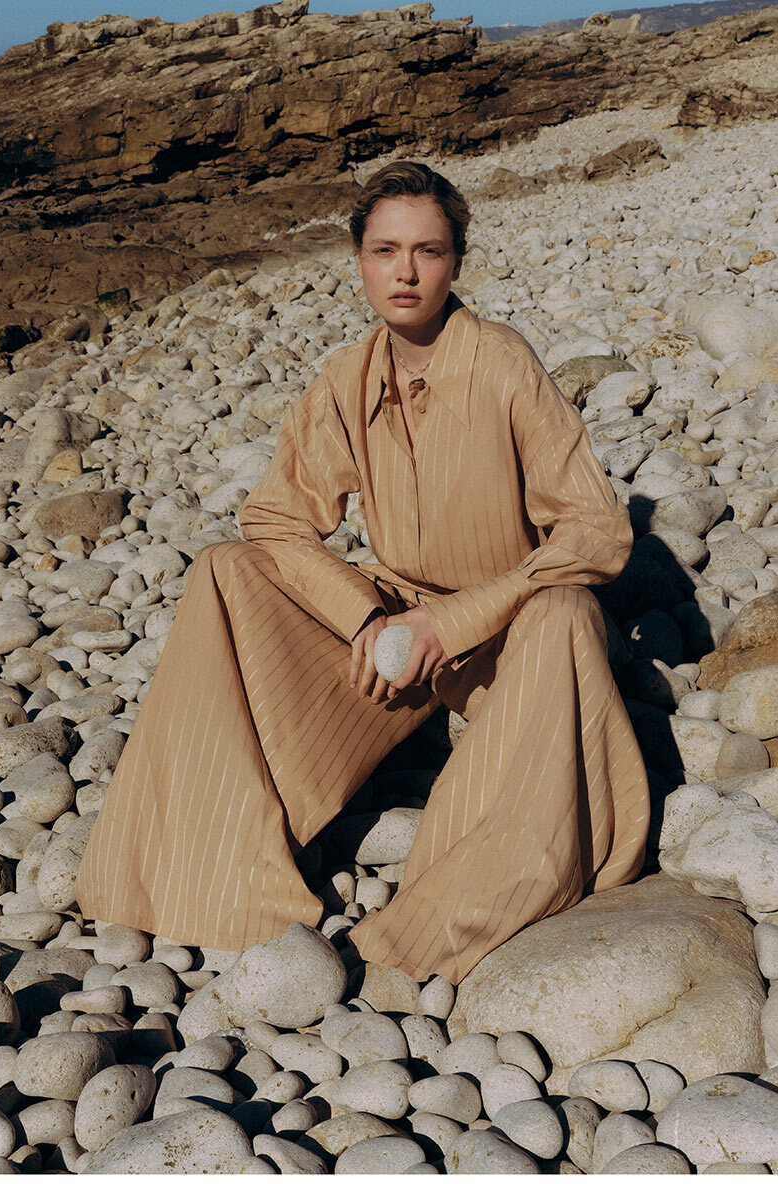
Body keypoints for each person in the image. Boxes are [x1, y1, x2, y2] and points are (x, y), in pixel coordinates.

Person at [76, 161, 650, 986]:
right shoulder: (345, 378)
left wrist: (453, 621)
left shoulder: (503, 364)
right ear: (359, 261)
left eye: (428, 251)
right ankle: (216, 881)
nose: (405, 272)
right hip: (394, 640)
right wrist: (365, 618)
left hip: (513, 633)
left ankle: (432, 928)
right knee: (226, 570)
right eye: (385, 251)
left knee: (565, 610)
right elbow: (275, 518)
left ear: (456, 261)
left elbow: (598, 530)